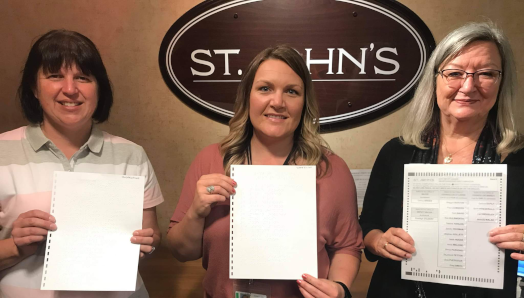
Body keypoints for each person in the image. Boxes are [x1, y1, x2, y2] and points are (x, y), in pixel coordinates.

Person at [167, 45, 364, 298]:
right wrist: (195, 212)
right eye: (265, 88)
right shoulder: (211, 160)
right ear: (247, 96)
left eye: (292, 92)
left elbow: (347, 246)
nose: (278, 102)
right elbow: (182, 252)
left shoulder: (330, 170)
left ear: (304, 103)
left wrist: (339, 288)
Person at [359, 22, 524, 298]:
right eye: (455, 73)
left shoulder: (520, 158)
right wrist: (378, 241)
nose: (468, 86)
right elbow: (368, 224)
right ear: (435, 79)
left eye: (486, 73)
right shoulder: (395, 152)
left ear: (501, 82)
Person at [0, 30, 164, 297]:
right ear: (34, 86)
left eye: (82, 78)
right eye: (54, 76)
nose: (70, 89)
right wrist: (17, 246)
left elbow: (152, 235)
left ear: (98, 87)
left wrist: (146, 243)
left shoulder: (131, 155)